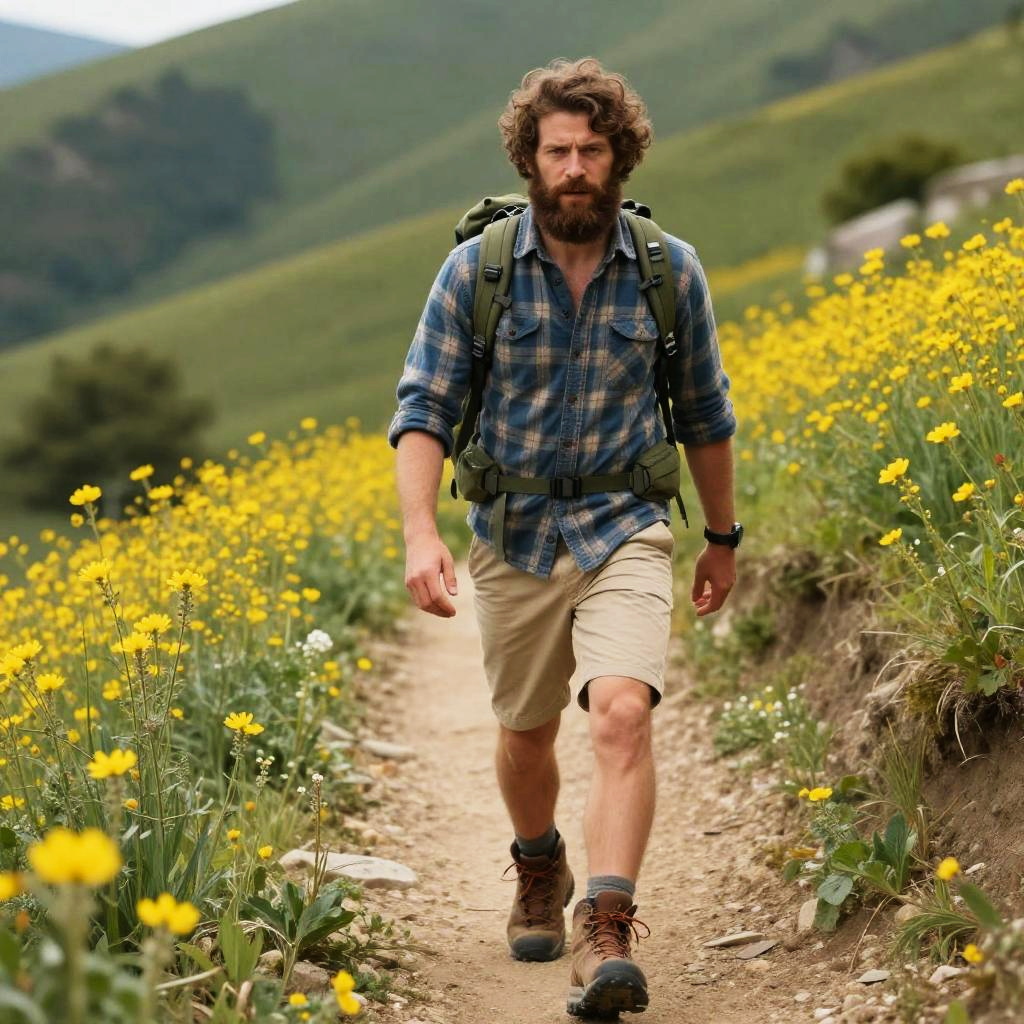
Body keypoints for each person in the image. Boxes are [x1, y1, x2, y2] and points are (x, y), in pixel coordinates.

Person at [387, 57, 739, 1018]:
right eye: (557, 152)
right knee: (526, 733)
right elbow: (423, 409)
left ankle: (608, 925)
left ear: (619, 156)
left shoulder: (672, 273)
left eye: (591, 148)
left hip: (625, 526)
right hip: (515, 535)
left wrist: (722, 536)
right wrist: (422, 533)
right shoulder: (478, 271)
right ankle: (538, 862)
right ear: (530, 162)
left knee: (621, 710)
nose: (575, 166)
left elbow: (706, 416)